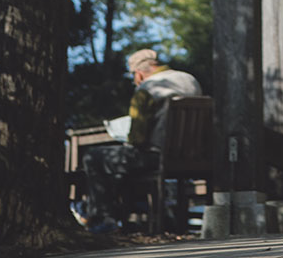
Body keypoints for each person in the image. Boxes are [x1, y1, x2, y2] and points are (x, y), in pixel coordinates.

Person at [82, 48, 202, 233]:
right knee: (122, 164)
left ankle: (102, 220)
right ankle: (159, 218)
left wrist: (128, 140)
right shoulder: (190, 80)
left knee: (94, 157)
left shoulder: (145, 90)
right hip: (191, 156)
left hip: (157, 157)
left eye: (133, 77)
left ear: (138, 74)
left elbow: (137, 138)